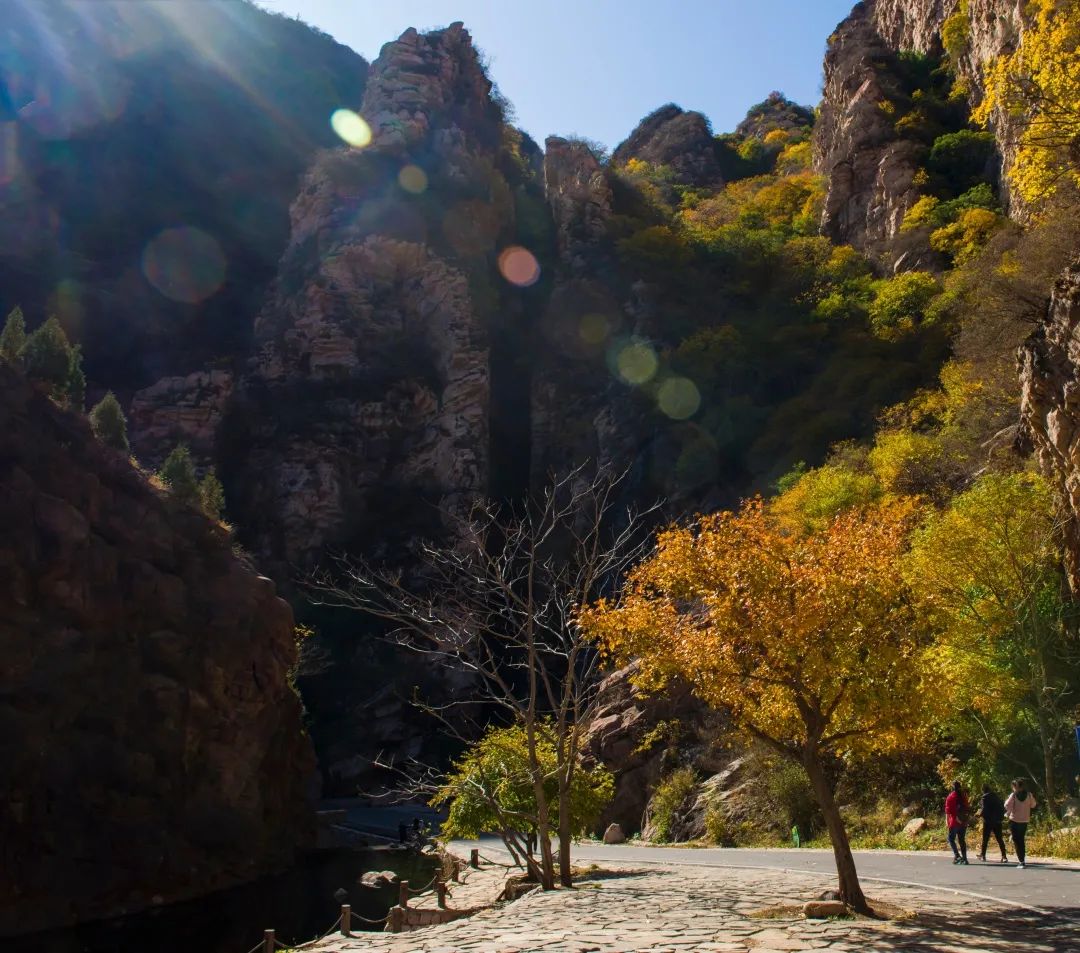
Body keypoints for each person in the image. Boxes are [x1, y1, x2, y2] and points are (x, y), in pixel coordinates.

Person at [1005, 778, 1037, 869]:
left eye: (1013, 787)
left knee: (1016, 841)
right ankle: (1022, 860)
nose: (1013, 788)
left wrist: (1009, 799)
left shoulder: (1013, 795)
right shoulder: (1029, 795)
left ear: (1016, 787)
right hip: (1024, 820)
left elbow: (1007, 805)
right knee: (1021, 840)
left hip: (1014, 820)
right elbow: (1033, 805)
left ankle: (1021, 862)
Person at [977, 783, 1008, 863]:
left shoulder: (985, 797)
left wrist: (979, 815)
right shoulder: (997, 797)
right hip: (997, 821)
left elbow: (984, 809)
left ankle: (983, 855)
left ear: (983, 790)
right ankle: (1004, 856)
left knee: (985, 839)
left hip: (988, 821)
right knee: (999, 839)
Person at [945, 780, 970, 865]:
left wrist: (947, 821)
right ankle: (965, 858)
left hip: (954, 821)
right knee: (962, 840)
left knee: (951, 839)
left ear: (952, 787)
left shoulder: (950, 797)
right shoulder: (964, 796)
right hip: (963, 821)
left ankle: (957, 855)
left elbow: (948, 811)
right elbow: (967, 808)